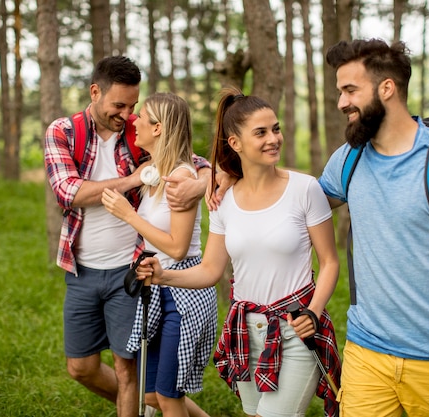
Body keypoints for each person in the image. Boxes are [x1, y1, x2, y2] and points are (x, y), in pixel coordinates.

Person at [137, 87, 343, 417]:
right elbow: (210, 270)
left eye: (275, 129)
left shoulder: (305, 189)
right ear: (235, 143)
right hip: (245, 332)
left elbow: (331, 262)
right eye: (260, 133)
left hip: (295, 329)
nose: (273, 138)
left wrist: (313, 312)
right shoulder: (223, 200)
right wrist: (164, 275)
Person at [318, 39, 429, 417]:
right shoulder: (348, 159)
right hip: (366, 353)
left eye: (350, 90)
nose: (341, 103)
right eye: (340, 92)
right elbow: (298, 203)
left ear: (387, 88)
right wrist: (220, 180)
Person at [44, 56, 211, 417]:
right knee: (81, 367)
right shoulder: (63, 132)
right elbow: (68, 192)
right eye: (119, 105)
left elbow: (191, 158)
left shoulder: (138, 129)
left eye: (133, 106)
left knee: (129, 371)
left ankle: (143, 409)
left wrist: (201, 183)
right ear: (95, 92)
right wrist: (133, 180)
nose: (127, 114)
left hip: (132, 272)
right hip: (81, 271)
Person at [101, 92, 217, 417]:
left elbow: (178, 247)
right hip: (158, 287)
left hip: (183, 291)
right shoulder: (154, 171)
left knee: (167, 396)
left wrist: (129, 215)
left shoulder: (180, 177)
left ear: (159, 128)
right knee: (152, 395)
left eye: (142, 116)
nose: (134, 120)